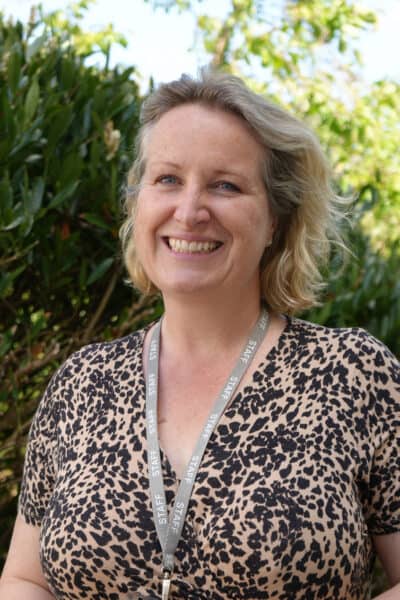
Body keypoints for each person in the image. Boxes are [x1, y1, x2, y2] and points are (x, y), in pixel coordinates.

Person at [1, 69, 399, 600]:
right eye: (167, 180)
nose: (189, 212)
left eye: (225, 185)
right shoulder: (81, 383)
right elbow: (24, 578)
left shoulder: (354, 375)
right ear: (138, 203)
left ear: (276, 220)